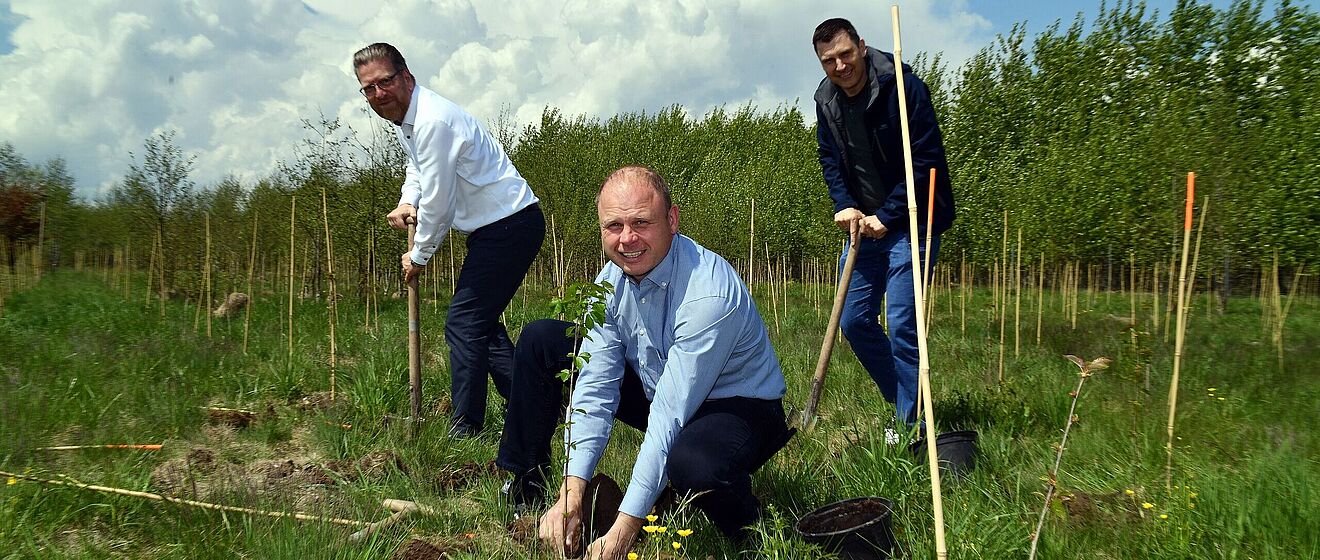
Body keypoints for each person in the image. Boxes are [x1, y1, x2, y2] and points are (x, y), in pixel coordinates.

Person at [497, 166, 790, 558]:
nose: (627, 239)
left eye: (640, 222)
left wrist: (623, 529)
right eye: (613, 226)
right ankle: (527, 489)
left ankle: (756, 533)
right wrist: (573, 490)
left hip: (739, 407)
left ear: (672, 219)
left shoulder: (708, 296)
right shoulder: (610, 282)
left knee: (692, 463)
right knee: (542, 340)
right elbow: (597, 386)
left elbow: (670, 414)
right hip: (661, 388)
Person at [352, 42, 545, 437]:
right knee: (479, 324)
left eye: (384, 82)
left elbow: (439, 205)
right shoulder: (413, 120)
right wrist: (407, 201)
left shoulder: (432, 122)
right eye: (368, 88)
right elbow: (418, 167)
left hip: (509, 226)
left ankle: (466, 428)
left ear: (407, 77)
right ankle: (536, 404)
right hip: (500, 228)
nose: (377, 94)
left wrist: (419, 256)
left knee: (463, 323)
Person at [811, 18, 955, 437]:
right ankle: (907, 403)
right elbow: (830, 160)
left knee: (904, 323)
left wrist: (887, 214)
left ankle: (911, 428)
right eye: (828, 61)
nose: (840, 66)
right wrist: (845, 205)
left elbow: (926, 160)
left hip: (912, 220)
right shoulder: (826, 102)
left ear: (861, 46)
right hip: (864, 227)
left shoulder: (903, 88)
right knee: (854, 322)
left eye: (845, 54)